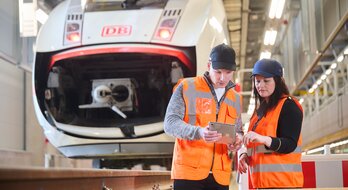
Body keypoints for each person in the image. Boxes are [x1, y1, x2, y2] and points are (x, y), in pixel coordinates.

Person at [164, 43, 243, 190]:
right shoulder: (187, 87)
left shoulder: (236, 98)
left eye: (227, 72)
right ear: (208, 65)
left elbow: (238, 130)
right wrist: (199, 132)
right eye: (218, 71)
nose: (222, 78)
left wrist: (237, 140)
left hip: (221, 176)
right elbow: (170, 123)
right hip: (188, 174)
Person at [238, 59, 304, 189]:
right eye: (257, 81)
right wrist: (246, 154)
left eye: (266, 80)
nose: (260, 85)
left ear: (278, 81)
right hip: (262, 185)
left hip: (284, 184)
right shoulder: (259, 111)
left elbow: (290, 144)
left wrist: (263, 138)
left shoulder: (288, 107)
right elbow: (257, 146)